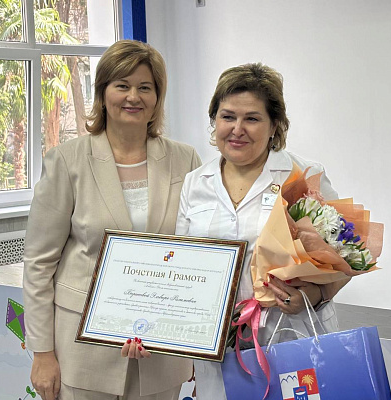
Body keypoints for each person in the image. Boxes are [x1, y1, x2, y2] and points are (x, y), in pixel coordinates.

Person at [23, 40, 201, 400]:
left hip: (162, 348)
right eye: (122, 85)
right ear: (103, 94)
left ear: (157, 98)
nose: (133, 96)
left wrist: (199, 341)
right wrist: (42, 352)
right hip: (83, 349)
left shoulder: (185, 161)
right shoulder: (68, 161)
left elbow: (197, 253)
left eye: (145, 87)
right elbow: (39, 263)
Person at [175, 63, 350, 399]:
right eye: (227, 116)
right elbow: (184, 264)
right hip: (220, 346)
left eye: (252, 118)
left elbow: (348, 255)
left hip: (291, 338)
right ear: (214, 121)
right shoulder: (196, 182)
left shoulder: (303, 175)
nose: (237, 129)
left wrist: (314, 295)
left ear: (275, 126)